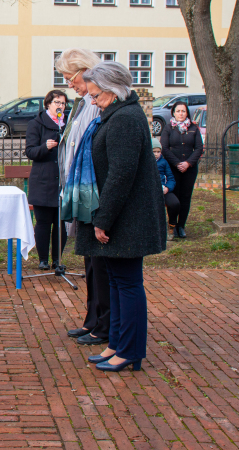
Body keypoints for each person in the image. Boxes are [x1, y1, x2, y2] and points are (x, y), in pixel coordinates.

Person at [74, 62, 167, 372]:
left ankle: (129, 350)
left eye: (97, 95)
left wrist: (103, 219)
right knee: (116, 282)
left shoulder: (125, 119)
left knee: (127, 284)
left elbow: (121, 175)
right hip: (123, 216)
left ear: (113, 93)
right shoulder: (116, 114)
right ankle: (116, 344)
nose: (93, 100)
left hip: (128, 218)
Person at [55, 48, 110, 347]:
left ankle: (102, 325)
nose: (69, 84)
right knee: (90, 264)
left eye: (70, 77)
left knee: (99, 266)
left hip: (92, 196)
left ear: (85, 71)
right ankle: (93, 321)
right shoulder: (83, 104)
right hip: (80, 193)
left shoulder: (96, 104)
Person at [25, 89, 68, 270]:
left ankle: (57, 260)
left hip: (63, 182)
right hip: (43, 181)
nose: (60, 106)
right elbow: (30, 151)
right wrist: (45, 147)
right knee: (43, 223)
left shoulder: (66, 125)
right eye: (57, 102)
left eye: (63, 103)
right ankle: (43, 260)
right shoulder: (36, 124)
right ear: (48, 104)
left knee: (61, 224)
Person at [159, 101, 203, 239]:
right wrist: (178, 163)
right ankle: (172, 224)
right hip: (173, 169)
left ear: (187, 113)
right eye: (178, 111)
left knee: (185, 197)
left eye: (183, 111)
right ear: (173, 112)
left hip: (190, 169)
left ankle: (181, 226)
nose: (181, 114)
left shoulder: (194, 128)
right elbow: (164, 149)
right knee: (174, 198)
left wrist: (188, 163)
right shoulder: (168, 128)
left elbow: (199, 148)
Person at [152, 138, 180, 242]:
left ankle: (171, 227)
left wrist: (168, 188)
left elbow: (171, 178)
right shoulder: (145, 163)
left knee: (174, 203)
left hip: (163, 189)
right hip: (151, 191)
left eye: (158, 152)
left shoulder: (164, 162)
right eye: (154, 151)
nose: (156, 154)